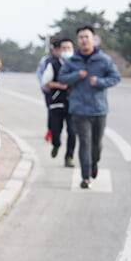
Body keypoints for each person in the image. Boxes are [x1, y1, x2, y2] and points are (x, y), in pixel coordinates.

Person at [58, 25, 120, 189]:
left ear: (94, 39)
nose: (84, 40)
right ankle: (85, 177)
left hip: (99, 109)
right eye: (81, 37)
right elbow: (62, 78)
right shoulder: (72, 61)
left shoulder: (103, 59)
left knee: (96, 145)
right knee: (84, 143)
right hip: (79, 110)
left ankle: (94, 164)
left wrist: (99, 82)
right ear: (78, 41)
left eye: (87, 37)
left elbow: (115, 77)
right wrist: (77, 75)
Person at [40, 38, 76, 168]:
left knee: (72, 131)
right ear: (59, 50)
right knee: (56, 131)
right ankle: (56, 145)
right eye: (64, 48)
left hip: (73, 104)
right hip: (56, 103)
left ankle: (69, 156)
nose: (66, 50)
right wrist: (60, 85)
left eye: (69, 48)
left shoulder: (76, 65)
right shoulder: (53, 64)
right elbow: (45, 83)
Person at [36, 40, 61, 142]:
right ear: (53, 49)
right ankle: (50, 130)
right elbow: (40, 73)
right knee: (51, 112)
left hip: (63, 91)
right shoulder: (46, 60)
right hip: (50, 91)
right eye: (57, 49)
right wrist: (44, 86)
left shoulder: (66, 60)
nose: (59, 51)